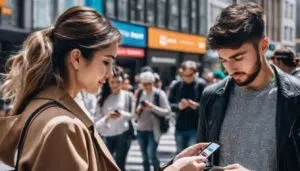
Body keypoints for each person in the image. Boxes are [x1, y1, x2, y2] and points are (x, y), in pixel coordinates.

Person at [0, 6, 208, 171]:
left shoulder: (45, 107)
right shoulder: (62, 125)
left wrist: (172, 166)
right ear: (77, 58)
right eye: (106, 62)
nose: (110, 74)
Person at [196, 3, 300, 171]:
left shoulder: (295, 97)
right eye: (223, 60)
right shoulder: (212, 96)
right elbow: (202, 160)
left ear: (263, 46)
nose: (229, 69)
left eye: (238, 58)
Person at [94, 66, 135, 171]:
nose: (116, 85)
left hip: (123, 135)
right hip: (106, 136)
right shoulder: (101, 99)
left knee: (119, 166)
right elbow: (96, 123)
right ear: (108, 82)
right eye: (113, 82)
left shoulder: (129, 96)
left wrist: (122, 114)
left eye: (118, 81)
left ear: (123, 81)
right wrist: (107, 117)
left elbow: (134, 115)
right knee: (105, 166)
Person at [135, 71, 171, 171]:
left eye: (149, 83)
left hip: (153, 130)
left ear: (153, 82)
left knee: (152, 155)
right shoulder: (139, 93)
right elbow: (134, 113)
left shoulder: (159, 94)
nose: (147, 86)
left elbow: (167, 111)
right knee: (144, 157)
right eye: (144, 84)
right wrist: (139, 109)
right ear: (141, 84)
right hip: (141, 129)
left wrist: (152, 107)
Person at [168, 61, 206, 154]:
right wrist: (179, 106)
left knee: (192, 155)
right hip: (179, 127)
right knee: (180, 155)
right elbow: (169, 105)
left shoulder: (201, 85)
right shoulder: (176, 85)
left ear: (195, 73)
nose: (188, 77)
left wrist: (196, 106)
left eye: (190, 75)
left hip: (195, 128)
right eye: (185, 75)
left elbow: (207, 106)